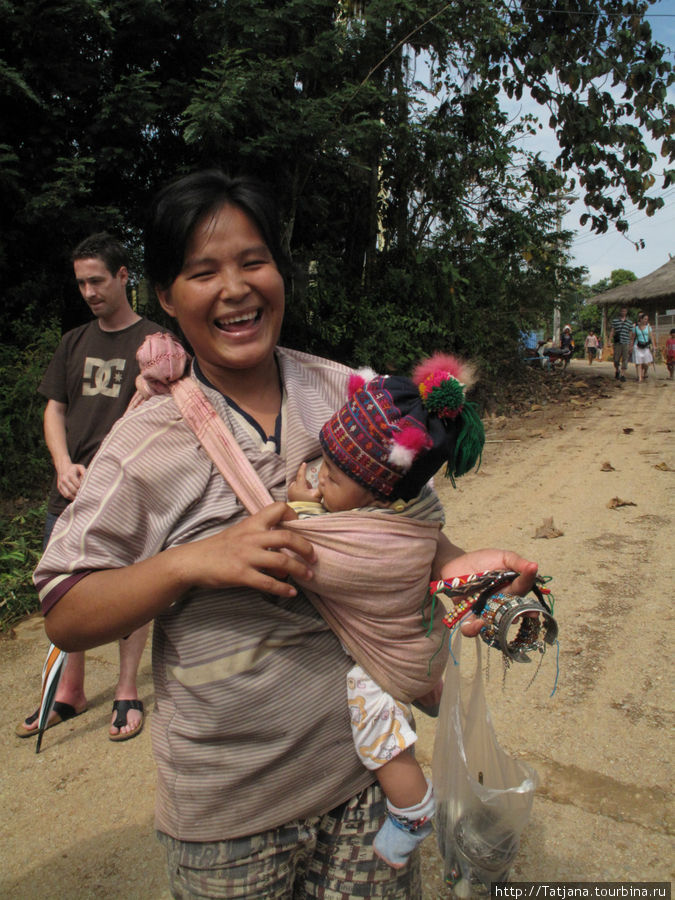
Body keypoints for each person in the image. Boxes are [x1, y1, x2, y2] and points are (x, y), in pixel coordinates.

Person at [34, 170, 538, 898]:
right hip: (228, 819)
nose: (234, 288)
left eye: (252, 261)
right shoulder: (146, 440)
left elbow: (415, 541)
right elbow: (65, 610)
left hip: (369, 782)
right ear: (167, 299)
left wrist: (472, 578)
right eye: (203, 271)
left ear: (282, 271)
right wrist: (192, 563)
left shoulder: (349, 396)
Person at [286, 355, 483, 869]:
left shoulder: (376, 535)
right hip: (426, 637)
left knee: (372, 715)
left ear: (379, 492)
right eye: (321, 465)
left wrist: (299, 509)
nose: (318, 479)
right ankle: (426, 691)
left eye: (331, 475)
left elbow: (311, 555)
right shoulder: (414, 506)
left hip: (399, 656)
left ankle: (412, 806)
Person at [16, 233, 169, 743]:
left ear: (124, 275)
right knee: (64, 592)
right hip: (72, 486)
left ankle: (127, 688)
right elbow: (54, 408)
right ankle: (69, 691)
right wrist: (61, 463)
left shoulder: (156, 342)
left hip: (128, 485)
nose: (88, 291)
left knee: (130, 588)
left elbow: (165, 415)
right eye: (81, 282)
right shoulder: (73, 341)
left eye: (97, 280)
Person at [610, 306, 633, 381]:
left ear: (626, 312)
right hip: (617, 342)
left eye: (625, 311)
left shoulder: (629, 322)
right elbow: (612, 331)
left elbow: (630, 333)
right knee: (616, 359)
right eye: (622, 311)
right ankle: (617, 370)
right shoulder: (615, 321)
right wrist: (609, 340)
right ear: (620, 312)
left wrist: (630, 344)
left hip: (626, 342)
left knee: (625, 359)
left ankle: (623, 374)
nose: (623, 312)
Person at [631, 312, 654, 383]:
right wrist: (631, 346)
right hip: (637, 346)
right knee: (638, 362)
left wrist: (654, 346)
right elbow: (633, 338)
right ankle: (640, 378)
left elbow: (651, 337)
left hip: (646, 346)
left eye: (647, 319)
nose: (646, 320)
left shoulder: (649, 328)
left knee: (646, 363)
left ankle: (644, 373)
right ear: (641, 319)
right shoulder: (636, 328)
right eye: (644, 319)